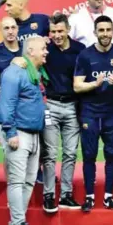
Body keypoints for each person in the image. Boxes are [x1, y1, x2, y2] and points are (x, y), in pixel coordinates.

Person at [73, 15, 113, 212]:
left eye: (108, 30)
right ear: (95, 32)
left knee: (111, 154)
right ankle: (89, 196)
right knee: (89, 154)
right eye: (101, 30)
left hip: (112, 112)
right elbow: (77, 86)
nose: (105, 34)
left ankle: (108, 196)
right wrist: (95, 84)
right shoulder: (85, 56)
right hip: (89, 112)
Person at [0, 37, 48, 225]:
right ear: (31, 51)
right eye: (43, 49)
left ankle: (18, 222)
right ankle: (17, 223)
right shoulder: (14, 72)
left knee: (28, 182)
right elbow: (6, 104)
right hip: (19, 133)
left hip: (34, 135)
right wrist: (10, 133)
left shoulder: (33, 71)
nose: (46, 52)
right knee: (17, 182)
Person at [39, 14, 85, 211]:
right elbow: (29, 59)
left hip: (73, 107)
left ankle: (66, 195)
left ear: (68, 29)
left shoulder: (80, 50)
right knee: (49, 154)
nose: (57, 35)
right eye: (53, 32)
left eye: (60, 31)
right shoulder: (45, 50)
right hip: (51, 106)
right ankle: (48, 195)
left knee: (70, 153)